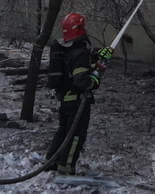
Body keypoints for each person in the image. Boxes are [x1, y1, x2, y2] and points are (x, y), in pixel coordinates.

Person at [45, 12, 111, 175]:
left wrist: (98, 54)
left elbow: (78, 59)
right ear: (80, 29)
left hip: (66, 100)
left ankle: (51, 161)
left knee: (63, 131)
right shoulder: (79, 53)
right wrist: (97, 74)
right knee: (75, 136)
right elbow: (83, 82)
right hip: (77, 101)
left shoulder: (66, 48)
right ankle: (66, 168)